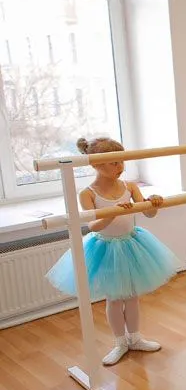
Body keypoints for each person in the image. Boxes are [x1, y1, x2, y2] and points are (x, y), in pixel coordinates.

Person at [46, 137, 179, 366]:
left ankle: (135, 338)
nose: (121, 167)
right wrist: (113, 212)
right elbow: (93, 226)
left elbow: (148, 214)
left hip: (132, 244)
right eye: (114, 163)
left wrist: (153, 203)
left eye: (122, 161)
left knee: (132, 296)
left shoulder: (130, 187)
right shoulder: (88, 193)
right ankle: (120, 343)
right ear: (96, 164)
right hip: (106, 248)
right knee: (115, 298)